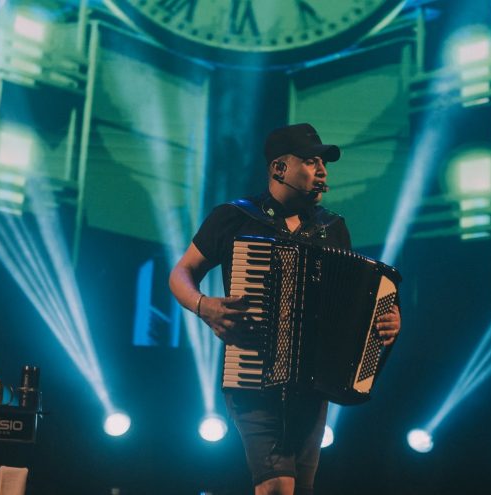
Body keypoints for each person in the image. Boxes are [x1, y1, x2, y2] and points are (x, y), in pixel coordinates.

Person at [169, 123, 401, 495]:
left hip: (313, 384)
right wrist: (204, 306)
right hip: (253, 376)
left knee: (301, 489)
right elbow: (181, 272)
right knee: (277, 487)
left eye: (324, 163)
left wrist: (386, 317)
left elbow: (356, 301)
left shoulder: (331, 227)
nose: (322, 170)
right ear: (279, 168)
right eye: (311, 162)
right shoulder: (235, 217)